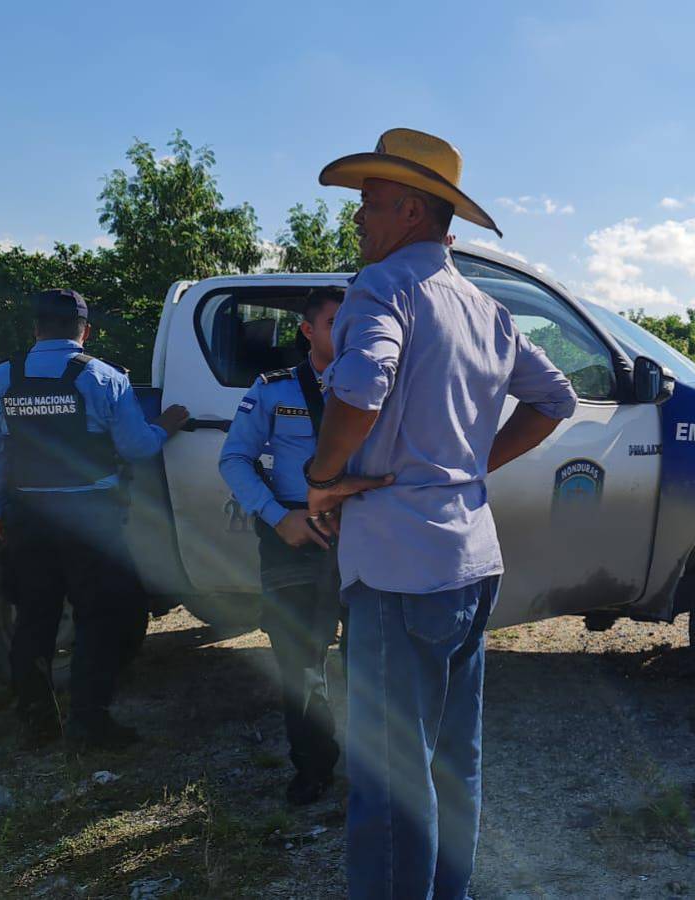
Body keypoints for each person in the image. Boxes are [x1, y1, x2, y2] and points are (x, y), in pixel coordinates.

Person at [306, 128, 579, 899]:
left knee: (393, 777)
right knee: (453, 762)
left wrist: (320, 476)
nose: (357, 220)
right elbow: (554, 398)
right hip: (469, 559)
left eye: (369, 205)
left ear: (411, 211)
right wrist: (468, 468)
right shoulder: (483, 308)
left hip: (400, 564)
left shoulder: (384, 287)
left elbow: (360, 388)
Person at [0, 289, 190, 749]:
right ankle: (89, 723)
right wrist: (166, 426)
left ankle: (36, 722)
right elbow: (136, 448)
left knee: (34, 618)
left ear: (36, 329)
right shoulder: (104, 377)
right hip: (90, 518)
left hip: (28, 514)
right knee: (99, 618)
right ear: (84, 331)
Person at [219, 287, 346, 806]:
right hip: (294, 536)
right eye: (336, 321)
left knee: (374, 658)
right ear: (308, 330)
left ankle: (384, 769)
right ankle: (314, 766)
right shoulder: (273, 390)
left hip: (366, 535)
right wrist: (277, 517)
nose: (349, 330)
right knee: (299, 662)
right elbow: (234, 459)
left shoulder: (389, 386)